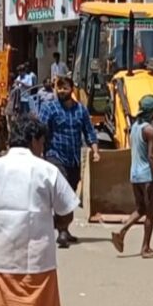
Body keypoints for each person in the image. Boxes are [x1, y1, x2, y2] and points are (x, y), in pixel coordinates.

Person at [0, 115, 78, 306]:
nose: (42, 148)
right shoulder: (48, 170)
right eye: (42, 143)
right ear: (35, 140)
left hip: (2, 259)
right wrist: (48, 223)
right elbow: (67, 213)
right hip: (39, 261)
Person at [38, 76, 100, 248]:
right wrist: (37, 153)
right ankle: (62, 231)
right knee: (61, 190)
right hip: (54, 156)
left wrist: (95, 151)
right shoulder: (49, 108)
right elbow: (40, 131)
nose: (61, 91)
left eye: (65, 88)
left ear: (72, 89)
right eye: (59, 88)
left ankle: (59, 225)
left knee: (70, 194)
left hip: (73, 159)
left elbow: (89, 131)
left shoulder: (80, 110)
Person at [110, 95, 153, 258]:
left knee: (141, 208)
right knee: (150, 211)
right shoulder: (149, 130)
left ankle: (121, 232)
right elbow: (152, 156)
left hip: (134, 174)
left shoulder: (134, 127)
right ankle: (145, 247)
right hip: (147, 176)